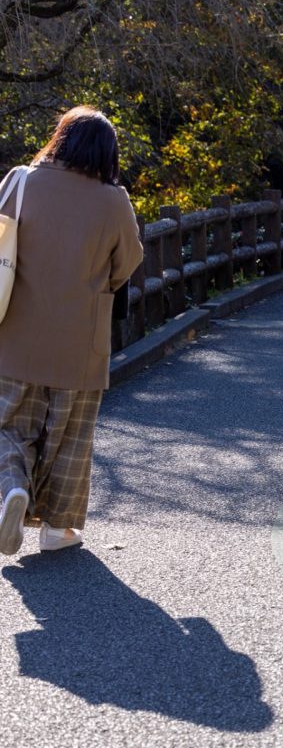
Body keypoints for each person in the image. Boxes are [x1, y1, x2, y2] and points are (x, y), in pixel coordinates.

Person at [0, 106, 143, 555]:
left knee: (7, 425)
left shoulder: (20, 181)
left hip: (14, 335)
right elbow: (128, 263)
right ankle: (58, 530)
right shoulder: (113, 200)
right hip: (81, 341)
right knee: (70, 435)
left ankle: (9, 487)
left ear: (59, 139)